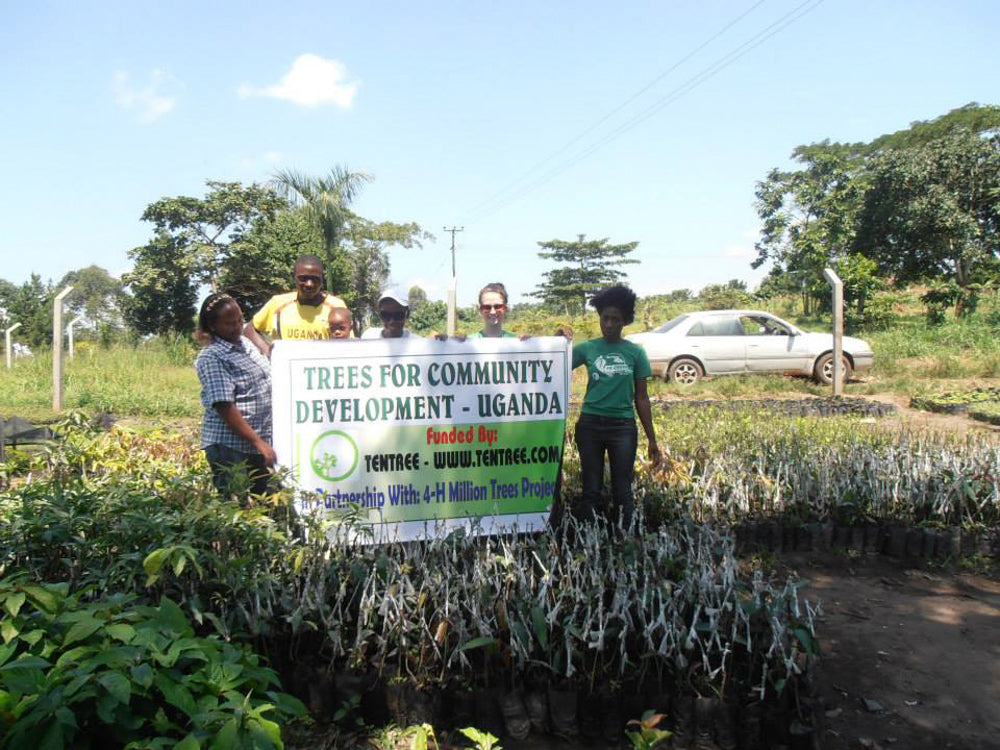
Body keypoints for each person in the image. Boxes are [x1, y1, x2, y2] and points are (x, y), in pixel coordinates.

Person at [571, 285, 661, 528]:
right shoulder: (587, 348)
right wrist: (559, 339)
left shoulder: (635, 353)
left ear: (625, 321)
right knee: (591, 488)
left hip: (622, 428)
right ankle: (589, 540)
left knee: (623, 489)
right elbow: (554, 363)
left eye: (616, 319)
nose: (609, 324)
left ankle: (624, 539)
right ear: (599, 317)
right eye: (605, 318)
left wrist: (652, 440)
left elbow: (642, 398)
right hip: (589, 426)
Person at [194, 293, 276, 496]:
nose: (238, 327)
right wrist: (259, 443)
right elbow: (225, 407)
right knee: (236, 504)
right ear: (212, 326)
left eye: (240, 320)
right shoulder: (212, 356)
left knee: (263, 501)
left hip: (257, 441)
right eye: (230, 323)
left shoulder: (245, 344)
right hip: (230, 447)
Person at [244, 254, 348, 356]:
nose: (309, 284)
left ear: (322, 279)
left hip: (323, 369)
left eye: (315, 279)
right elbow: (250, 329)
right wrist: (268, 352)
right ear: (294, 278)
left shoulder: (336, 306)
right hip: (288, 369)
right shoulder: (278, 303)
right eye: (303, 278)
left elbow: (349, 342)